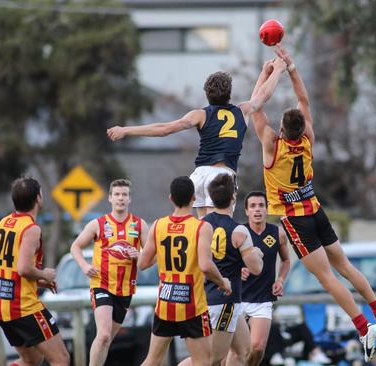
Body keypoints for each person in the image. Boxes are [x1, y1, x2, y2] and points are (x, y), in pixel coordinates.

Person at [251, 44, 376, 362]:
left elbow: (256, 108)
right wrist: (291, 69)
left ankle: (363, 327)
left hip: (295, 219)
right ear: (300, 128)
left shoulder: (272, 145)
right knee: (345, 266)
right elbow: (304, 100)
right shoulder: (307, 140)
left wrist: (264, 73)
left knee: (327, 277)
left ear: (282, 130)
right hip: (316, 208)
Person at [107, 58, 288, 218]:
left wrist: (126, 130)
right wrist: (277, 70)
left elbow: (164, 129)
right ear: (230, 94)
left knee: (205, 232)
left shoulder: (199, 115)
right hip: (222, 177)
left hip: (199, 177)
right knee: (220, 232)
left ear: (206, 94)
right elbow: (262, 95)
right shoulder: (242, 110)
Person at [137, 176, 232, 366]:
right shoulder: (201, 227)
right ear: (194, 198)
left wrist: (161, 253)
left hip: (165, 302)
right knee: (202, 361)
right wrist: (223, 282)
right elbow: (205, 266)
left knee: (153, 360)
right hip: (192, 306)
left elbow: (142, 263)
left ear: (171, 198)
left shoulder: (158, 225)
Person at [180, 174, 264, 366]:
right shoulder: (239, 231)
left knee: (243, 350)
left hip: (207, 297)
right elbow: (256, 268)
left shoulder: (200, 224)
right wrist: (257, 252)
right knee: (209, 359)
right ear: (233, 198)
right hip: (223, 301)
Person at [70, 179, 148, 366]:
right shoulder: (98, 224)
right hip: (101, 284)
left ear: (129, 199)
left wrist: (140, 255)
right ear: (110, 198)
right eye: (117, 195)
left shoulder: (140, 225)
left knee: (107, 340)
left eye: (124, 195)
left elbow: (151, 259)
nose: (121, 198)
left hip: (125, 289)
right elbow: (75, 246)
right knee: (103, 335)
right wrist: (84, 266)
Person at [0, 177, 70, 366]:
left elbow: (12, 269)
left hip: (2, 304)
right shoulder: (31, 228)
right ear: (38, 198)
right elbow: (23, 268)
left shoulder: (4, 222)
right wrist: (45, 274)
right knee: (61, 359)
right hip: (23, 307)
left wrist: (39, 282)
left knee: (32, 360)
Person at [225, 191, 291, 366]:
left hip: (263, 299)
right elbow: (225, 263)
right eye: (253, 206)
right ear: (246, 211)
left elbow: (286, 260)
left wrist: (280, 280)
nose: (257, 210)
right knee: (233, 352)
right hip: (238, 298)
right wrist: (239, 270)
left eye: (261, 205)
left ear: (267, 209)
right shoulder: (238, 233)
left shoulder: (278, 233)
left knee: (257, 347)